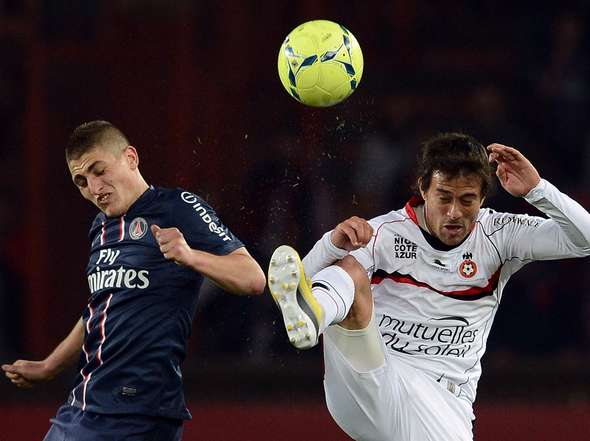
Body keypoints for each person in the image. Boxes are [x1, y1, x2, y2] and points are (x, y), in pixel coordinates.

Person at [268, 132, 590, 441]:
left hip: (441, 402)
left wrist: (537, 190)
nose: (454, 213)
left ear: (482, 198)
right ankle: (316, 315)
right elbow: (296, 285)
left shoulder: (499, 235)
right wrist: (331, 245)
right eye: (444, 197)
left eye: (467, 201)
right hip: (369, 377)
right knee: (350, 269)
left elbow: (585, 239)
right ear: (423, 188)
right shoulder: (384, 233)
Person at [2, 120, 266, 441]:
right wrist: (50, 366)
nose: (94, 189)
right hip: (85, 403)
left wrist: (190, 256)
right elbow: (100, 308)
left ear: (130, 158)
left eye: (99, 171)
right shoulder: (100, 228)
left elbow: (253, 278)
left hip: (139, 413)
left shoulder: (178, 207)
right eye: (81, 181)